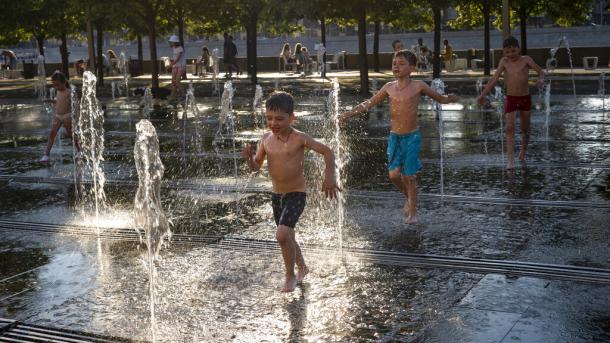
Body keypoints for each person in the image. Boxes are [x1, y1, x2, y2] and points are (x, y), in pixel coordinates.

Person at [338, 50, 457, 223]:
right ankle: (409, 197)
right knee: (394, 176)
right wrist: (346, 115)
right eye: (395, 63)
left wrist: (450, 98)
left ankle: (413, 213)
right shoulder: (388, 88)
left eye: (401, 64)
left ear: (412, 68)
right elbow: (368, 104)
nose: (396, 67)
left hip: (412, 137)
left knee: (409, 176)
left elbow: (439, 98)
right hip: (395, 137)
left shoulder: (419, 86)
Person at [241, 91, 340, 292]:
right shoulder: (266, 140)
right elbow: (256, 167)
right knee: (288, 237)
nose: (273, 123)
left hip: (296, 194)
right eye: (269, 118)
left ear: (292, 117)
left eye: (279, 118)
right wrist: (249, 159)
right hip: (277, 196)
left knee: (281, 235)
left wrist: (329, 177)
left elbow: (327, 151)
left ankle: (289, 275)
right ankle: (302, 267)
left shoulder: (299, 138)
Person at [477, 36, 545, 169]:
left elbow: (541, 72)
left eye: (513, 51)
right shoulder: (504, 61)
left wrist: (541, 79)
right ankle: (510, 161)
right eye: (507, 52)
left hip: (525, 98)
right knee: (509, 128)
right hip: (511, 98)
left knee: (525, 129)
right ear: (504, 53)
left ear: (518, 49)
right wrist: (482, 95)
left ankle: (523, 151)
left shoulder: (526, 59)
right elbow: (494, 79)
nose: (511, 54)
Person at [40, 71, 78, 163]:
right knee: (52, 133)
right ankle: (46, 155)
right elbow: (58, 102)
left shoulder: (69, 92)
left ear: (64, 82)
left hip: (67, 116)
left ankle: (79, 150)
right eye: (54, 85)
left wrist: (75, 116)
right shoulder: (58, 91)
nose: (56, 87)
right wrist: (50, 100)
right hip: (58, 116)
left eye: (58, 85)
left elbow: (76, 104)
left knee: (71, 134)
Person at [168, 35, 185, 100]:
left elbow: (178, 58)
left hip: (180, 66)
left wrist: (170, 65)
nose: (171, 43)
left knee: (177, 81)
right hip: (175, 66)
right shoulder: (174, 48)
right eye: (171, 42)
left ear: (175, 42)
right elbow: (175, 58)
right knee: (173, 81)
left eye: (172, 42)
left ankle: (183, 95)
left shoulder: (180, 48)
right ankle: (174, 95)